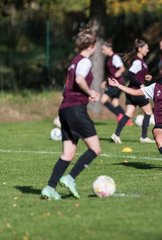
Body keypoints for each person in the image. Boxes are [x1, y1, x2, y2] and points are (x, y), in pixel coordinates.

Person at [41, 28, 101, 200]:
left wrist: (87, 93)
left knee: (68, 153)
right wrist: (90, 92)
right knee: (95, 148)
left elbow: (66, 88)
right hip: (76, 109)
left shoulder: (73, 62)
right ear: (91, 46)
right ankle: (70, 177)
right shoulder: (85, 61)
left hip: (65, 109)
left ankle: (49, 188)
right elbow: (80, 79)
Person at [111, 39, 155, 144]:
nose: (148, 50)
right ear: (140, 49)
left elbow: (136, 75)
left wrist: (145, 77)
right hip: (136, 91)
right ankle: (144, 137)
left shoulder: (140, 61)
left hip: (131, 91)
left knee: (128, 113)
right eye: (146, 48)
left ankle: (116, 134)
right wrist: (140, 84)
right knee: (148, 112)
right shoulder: (137, 61)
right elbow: (129, 74)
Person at [101, 39, 133, 126]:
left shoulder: (115, 57)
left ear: (109, 48)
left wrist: (117, 73)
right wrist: (105, 81)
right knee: (115, 103)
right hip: (114, 82)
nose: (103, 51)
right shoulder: (110, 58)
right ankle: (128, 121)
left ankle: (120, 116)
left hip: (117, 83)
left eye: (103, 49)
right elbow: (110, 72)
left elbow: (122, 68)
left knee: (103, 100)